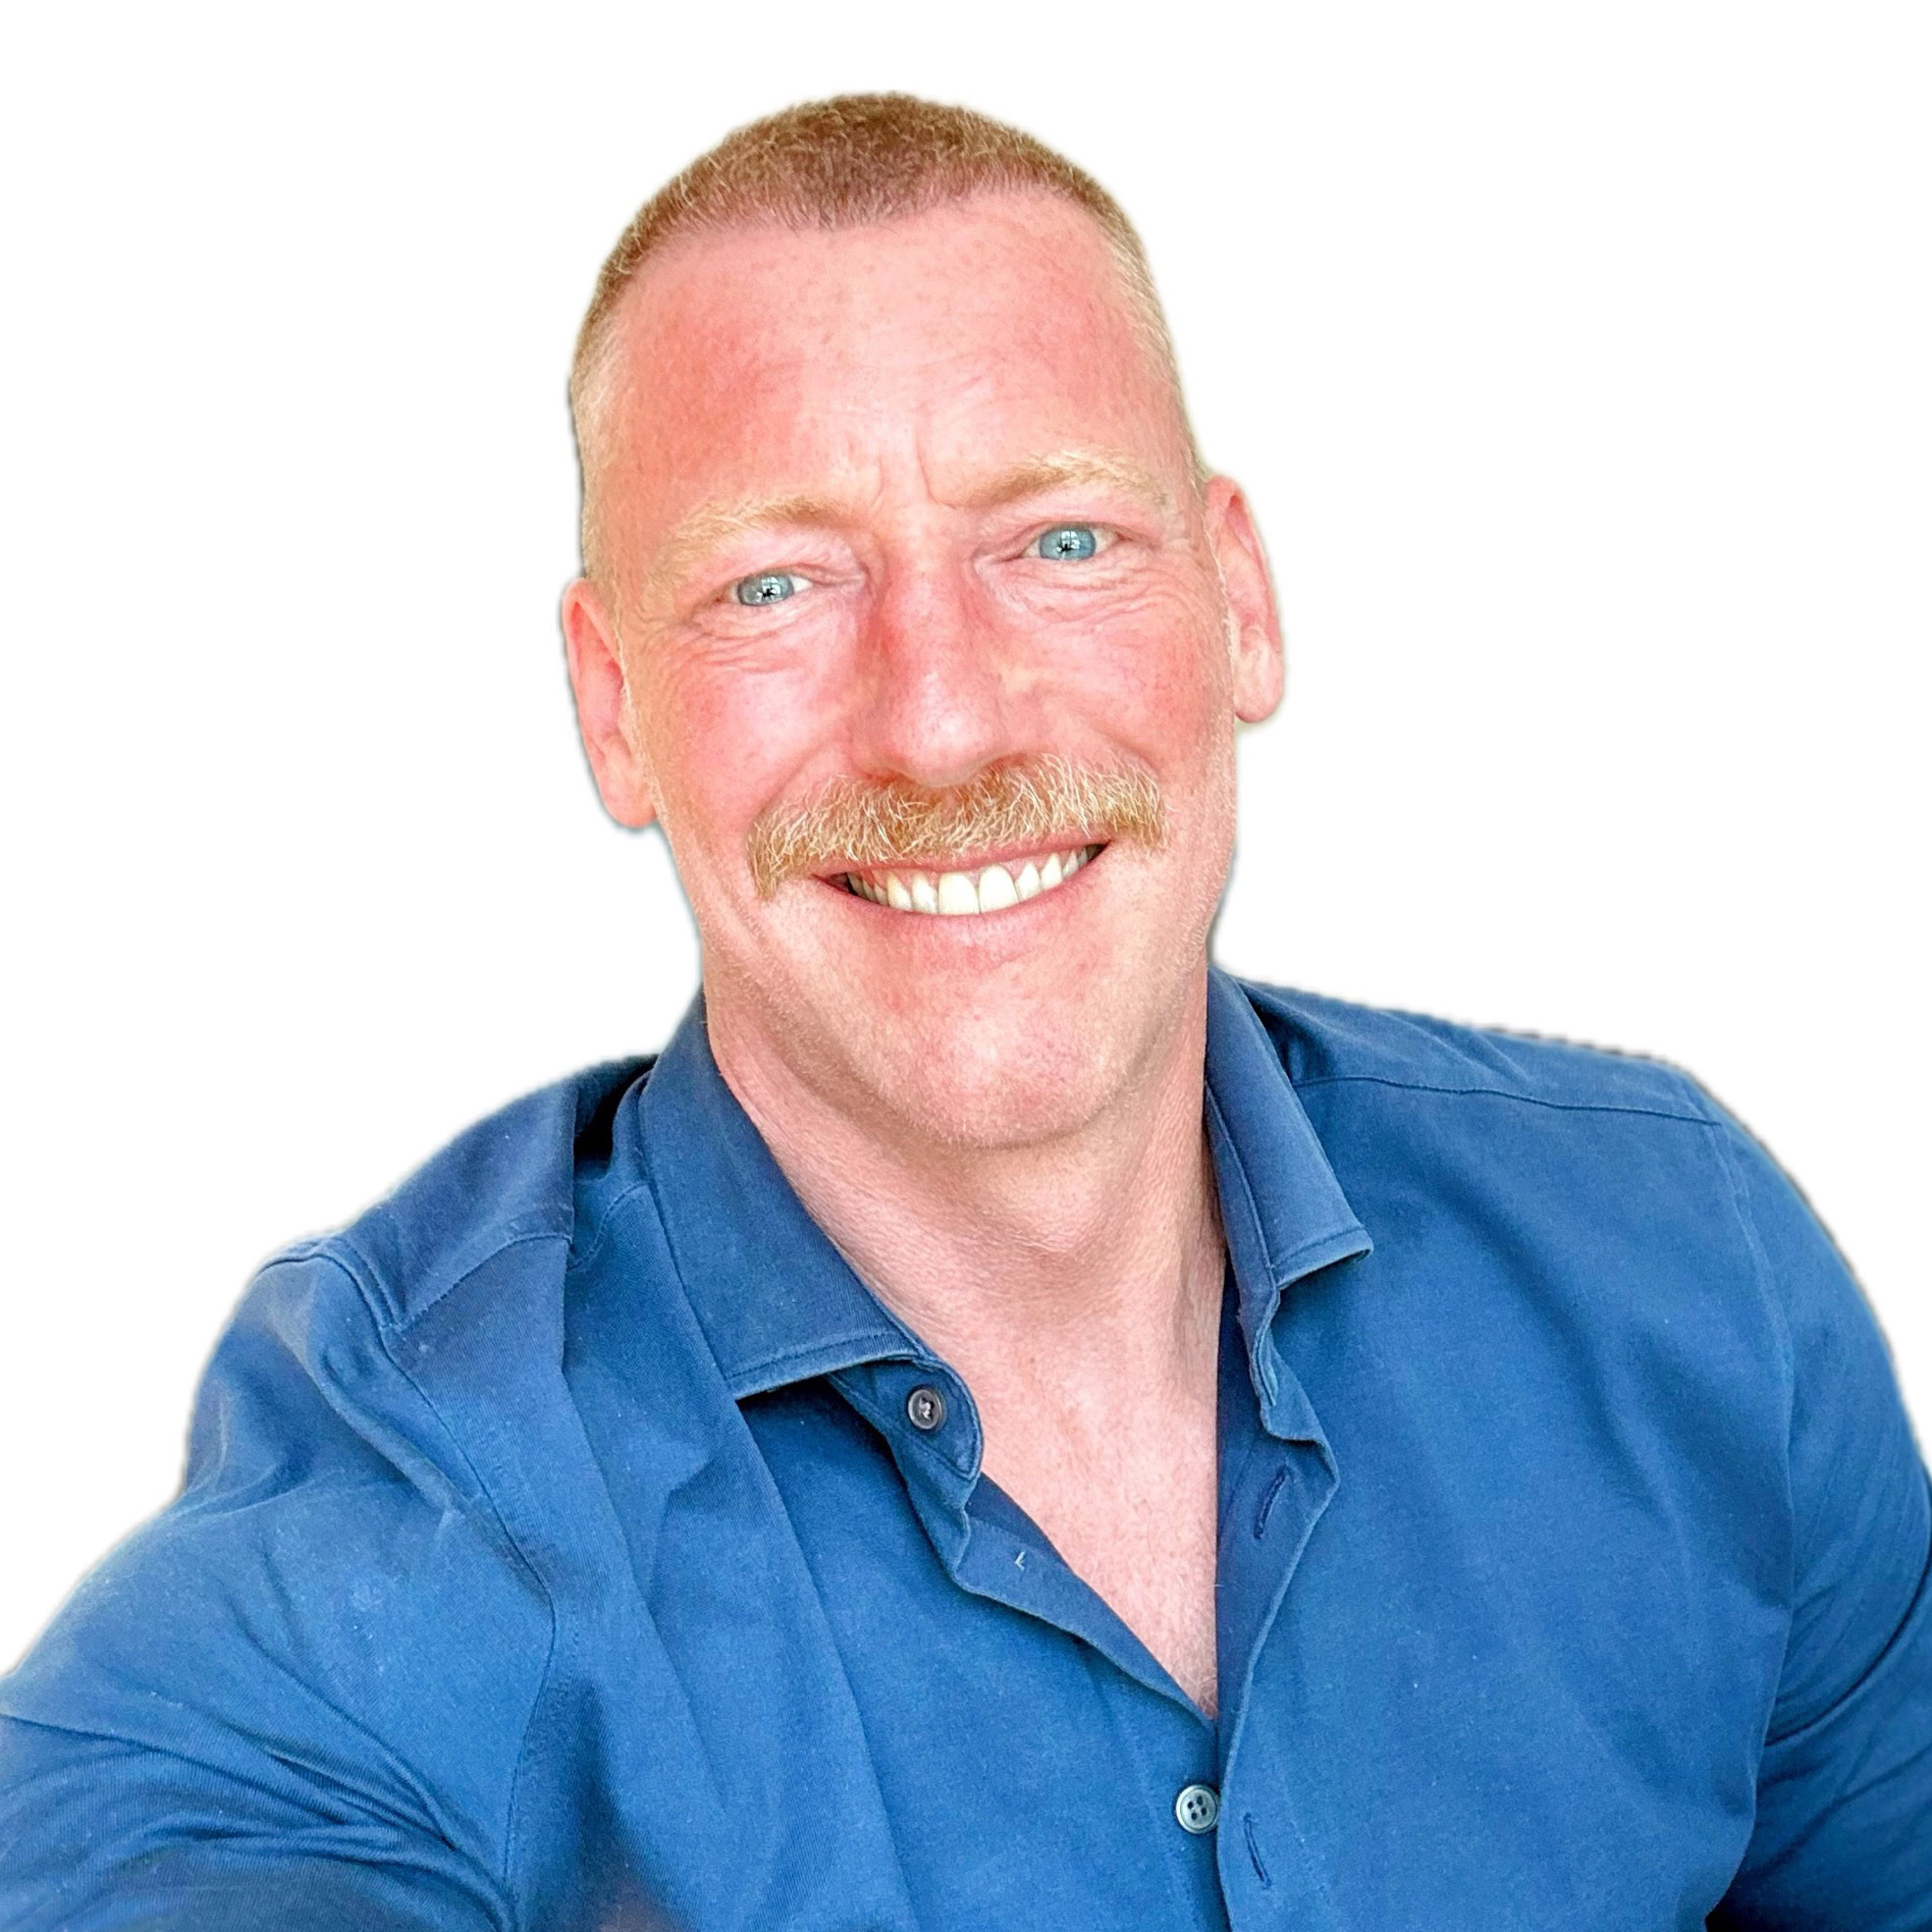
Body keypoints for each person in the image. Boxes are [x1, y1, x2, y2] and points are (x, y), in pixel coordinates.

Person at [1, 91, 1926, 1932]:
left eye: (1061, 543)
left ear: (1241, 601)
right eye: (775, 586)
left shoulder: (1678, 1274)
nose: (940, 722)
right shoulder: (416, 1500)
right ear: (612, 705)